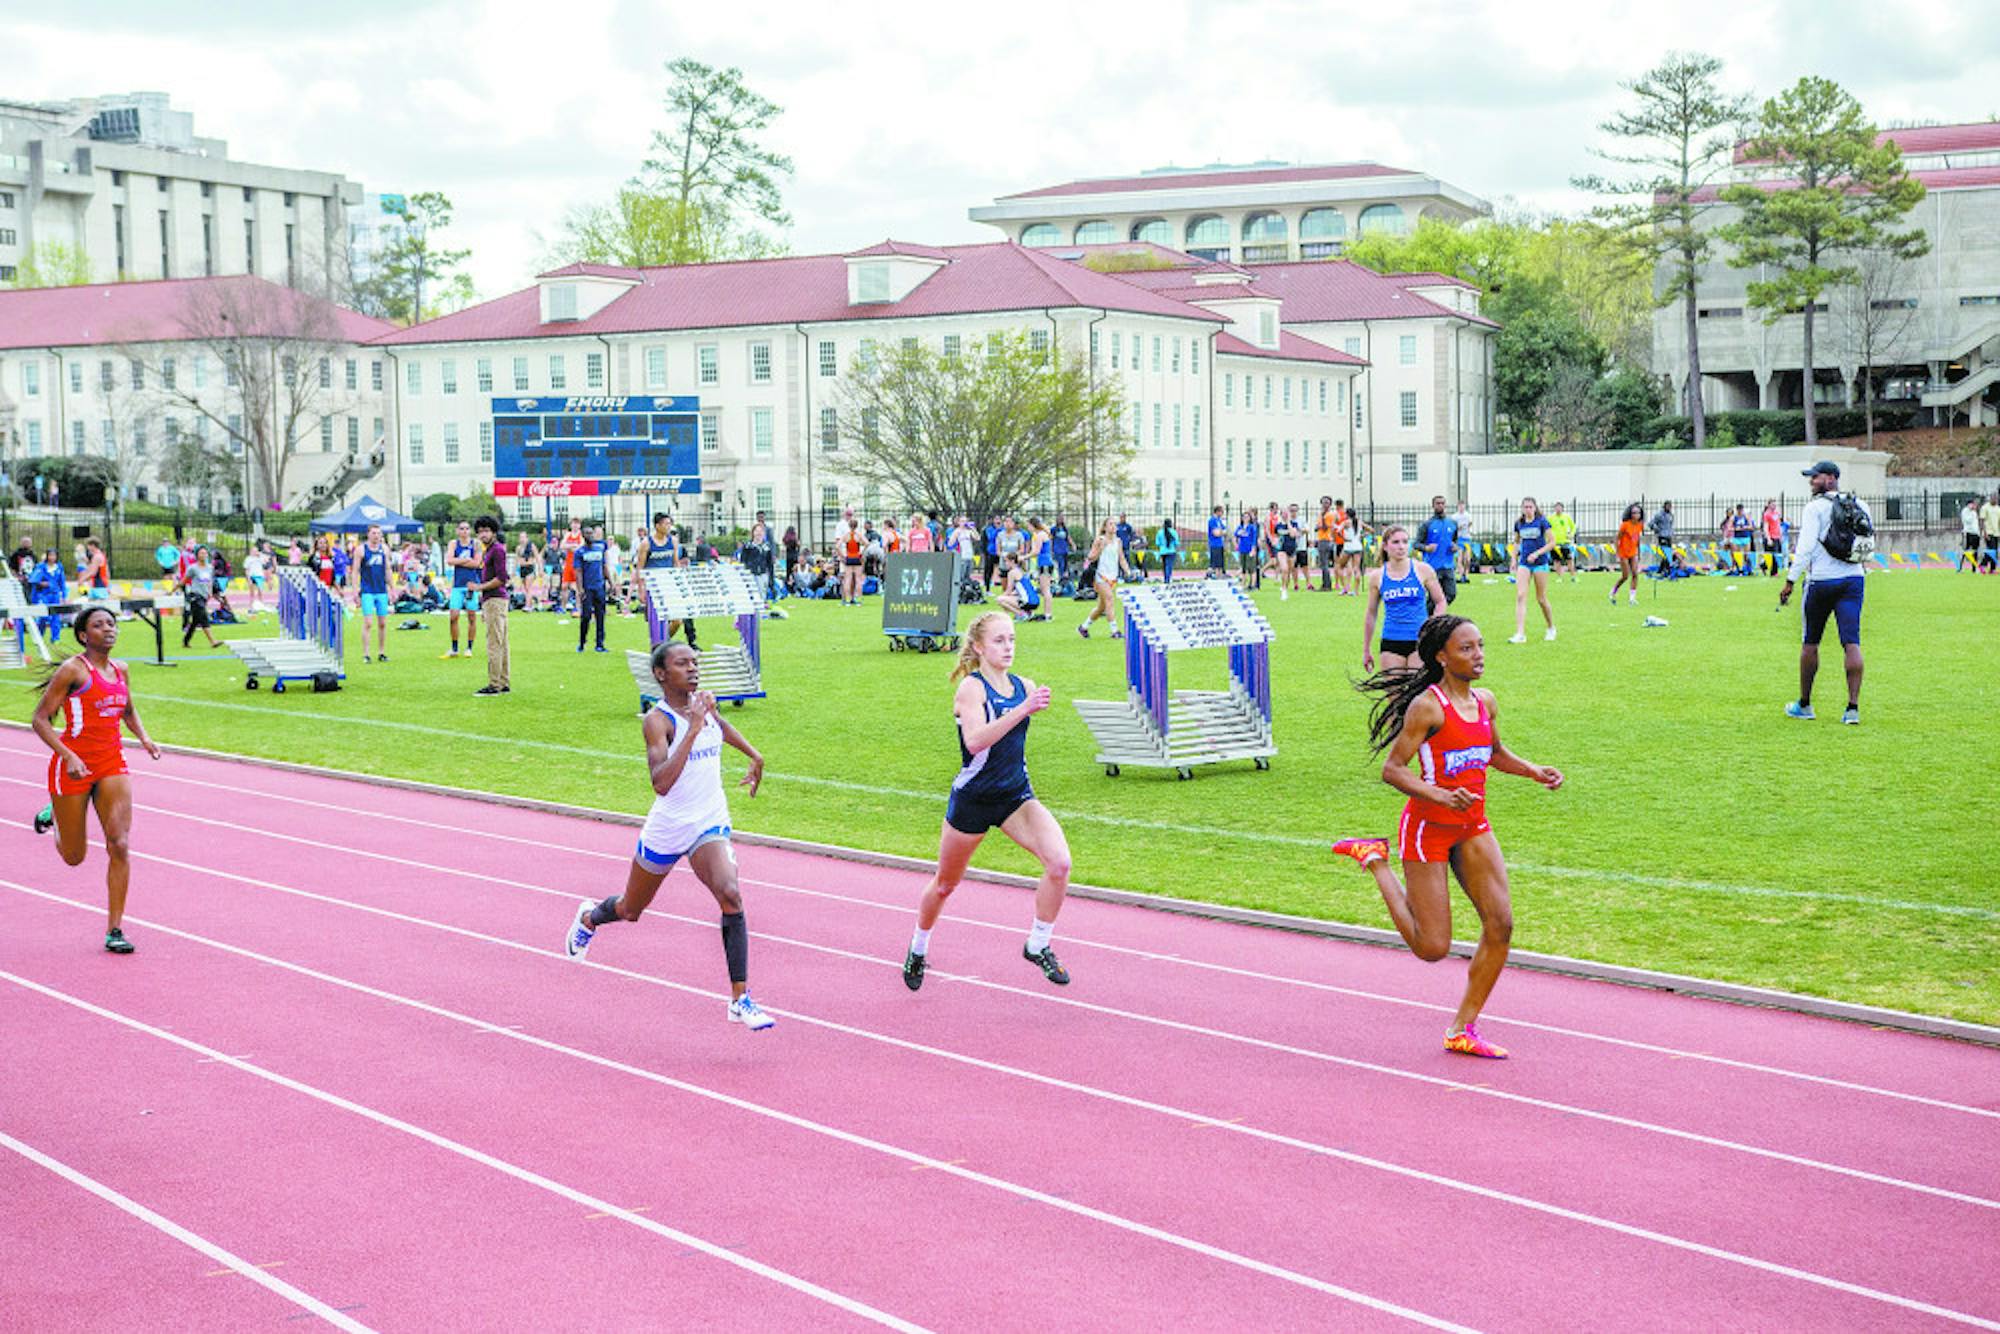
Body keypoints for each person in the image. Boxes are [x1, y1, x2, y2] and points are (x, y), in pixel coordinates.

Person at [1331, 614, 1563, 1058]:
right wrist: (1438, 795)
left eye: (1480, 646)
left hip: (1473, 823)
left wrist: (1533, 770)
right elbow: (1392, 770)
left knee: (1502, 924)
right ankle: (1374, 858)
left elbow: (1493, 753)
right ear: (1441, 656)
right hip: (1427, 828)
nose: (1478, 656)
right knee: (1432, 947)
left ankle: (1463, 1028)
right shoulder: (1428, 707)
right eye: (1466, 648)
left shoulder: (1486, 701)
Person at [564, 641, 774, 1030]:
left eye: (695, 662)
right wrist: (692, 728)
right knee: (631, 910)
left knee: (730, 893)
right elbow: (660, 783)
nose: (693, 669)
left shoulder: (704, 705)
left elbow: (721, 727)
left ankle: (739, 998)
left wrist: (754, 754)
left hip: (708, 820)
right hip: (669, 826)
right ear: (661, 674)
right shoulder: (657, 721)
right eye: (682, 664)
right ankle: (590, 917)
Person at [902, 611, 1072, 992]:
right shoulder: (971, 690)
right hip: (973, 801)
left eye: (1011, 639)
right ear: (978, 647)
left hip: (1015, 797)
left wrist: (1024, 703)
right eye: (999, 640)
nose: (1008, 647)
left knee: (1059, 863)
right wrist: (1023, 709)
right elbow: (975, 742)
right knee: (945, 885)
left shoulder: (1023, 685)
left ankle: (1038, 943)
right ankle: (918, 946)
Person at [30, 604, 164, 954]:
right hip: (72, 765)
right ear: (83, 635)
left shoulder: (121, 670)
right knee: (74, 857)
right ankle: (56, 816)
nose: (109, 629)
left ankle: (115, 929)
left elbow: (128, 710)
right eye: (99, 624)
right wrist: (68, 755)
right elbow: (40, 719)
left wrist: (145, 738)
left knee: (119, 843)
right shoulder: (72, 671)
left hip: (111, 764)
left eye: (112, 623)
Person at [1779, 461, 1873, 725]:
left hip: (1820, 581)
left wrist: (1790, 581)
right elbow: (1868, 543)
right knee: (1851, 642)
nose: (1811, 481)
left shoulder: (1815, 508)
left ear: (1831, 478)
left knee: (1810, 642)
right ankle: (1852, 709)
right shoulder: (1861, 505)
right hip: (1854, 579)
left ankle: (1805, 704)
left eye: (1816, 477)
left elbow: (1805, 548)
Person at [1361, 525, 1446, 673]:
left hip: (1420, 640)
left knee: (1417, 692)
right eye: (1395, 542)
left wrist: (1432, 628)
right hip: (1391, 640)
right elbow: (1371, 613)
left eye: (1405, 542)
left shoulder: (1423, 569)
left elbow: (1440, 601)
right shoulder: (1377, 576)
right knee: (1395, 694)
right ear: (1385, 546)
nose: (1401, 547)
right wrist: (1366, 649)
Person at [471, 516, 511, 696]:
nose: (483, 535)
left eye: (486, 531)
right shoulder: (490, 551)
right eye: (480, 531)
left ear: (494, 532)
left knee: (494, 643)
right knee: (501, 642)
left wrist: (479, 587)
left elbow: (502, 578)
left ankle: (494, 684)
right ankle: (503, 682)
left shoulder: (497, 550)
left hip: (495, 599)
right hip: (493, 600)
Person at [1508, 498, 1556, 644]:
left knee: (1541, 598)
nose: (1528, 509)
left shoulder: (1542, 522)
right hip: (1524, 563)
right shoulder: (1519, 524)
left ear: (1535, 508)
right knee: (1521, 595)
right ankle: (1520, 634)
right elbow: (1516, 542)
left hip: (1540, 563)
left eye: (1530, 507)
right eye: (1525, 507)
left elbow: (1552, 542)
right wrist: (1514, 559)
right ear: (1522, 509)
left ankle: (1550, 628)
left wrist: (1537, 553)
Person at [1076, 518, 1129, 639]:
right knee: (1110, 600)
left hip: (1113, 577)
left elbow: (1121, 558)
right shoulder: (1100, 540)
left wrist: (1128, 571)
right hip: (1101, 576)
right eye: (1110, 524)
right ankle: (1115, 631)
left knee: (1101, 608)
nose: (1113, 526)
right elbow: (1091, 557)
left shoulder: (1118, 541)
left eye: (1114, 524)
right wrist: (1100, 548)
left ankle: (1083, 627)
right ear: (1105, 527)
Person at [351, 524, 393, 663]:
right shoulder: (361, 550)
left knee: (382, 623)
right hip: (367, 590)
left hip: (381, 590)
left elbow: (388, 569)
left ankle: (381, 652)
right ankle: (366, 654)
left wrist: (392, 588)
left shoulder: (385, 549)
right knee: (368, 622)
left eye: (379, 533)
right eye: (374, 533)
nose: (376, 536)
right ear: (368, 534)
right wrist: (355, 590)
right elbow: (355, 571)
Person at [574, 522, 609, 653]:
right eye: (587, 533)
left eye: (591, 533)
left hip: (599, 586)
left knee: (601, 615)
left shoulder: (599, 549)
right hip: (587, 588)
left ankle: (600, 644)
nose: (590, 536)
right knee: (586, 616)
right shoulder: (580, 552)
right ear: (583, 536)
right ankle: (582, 642)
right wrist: (580, 589)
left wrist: (610, 581)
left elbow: (604, 566)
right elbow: (578, 572)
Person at [180, 546, 223, 650]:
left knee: (195, 621)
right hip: (195, 595)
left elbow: (209, 581)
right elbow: (184, 581)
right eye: (201, 553)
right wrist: (173, 590)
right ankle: (213, 641)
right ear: (196, 555)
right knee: (204, 618)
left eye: (205, 553)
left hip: (204, 596)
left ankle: (185, 641)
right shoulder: (192, 568)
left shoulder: (210, 568)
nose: (203, 555)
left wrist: (210, 592)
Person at [1420, 496, 1460, 605]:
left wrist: (1455, 547)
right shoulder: (1427, 525)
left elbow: (1455, 541)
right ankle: (1429, 618)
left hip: (1448, 566)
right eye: (1438, 503)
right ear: (1433, 505)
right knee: (1433, 597)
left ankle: (1434, 615)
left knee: (1451, 594)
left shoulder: (1452, 524)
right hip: (1432, 566)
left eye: (1442, 503)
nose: (1440, 505)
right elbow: (1416, 544)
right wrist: (1426, 548)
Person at [29, 548, 67, 642]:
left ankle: (55, 638)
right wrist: (42, 583)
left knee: (55, 616)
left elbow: (62, 582)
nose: (52, 557)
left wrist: (64, 595)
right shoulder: (41, 567)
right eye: (50, 555)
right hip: (43, 595)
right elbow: (33, 580)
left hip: (55, 595)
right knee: (43, 616)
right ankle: (39, 636)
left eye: (54, 555)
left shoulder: (59, 567)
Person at [1611, 504, 1645, 604]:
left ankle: (1632, 598)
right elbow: (1617, 538)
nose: (1636, 515)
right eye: (1634, 513)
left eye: (1638, 513)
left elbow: (1637, 539)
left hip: (1633, 553)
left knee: (1635, 574)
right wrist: (1617, 554)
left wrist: (1638, 552)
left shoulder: (1640, 525)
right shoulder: (1625, 525)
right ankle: (1613, 591)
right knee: (1625, 576)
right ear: (1630, 514)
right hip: (1623, 553)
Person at [1028, 516, 1054, 610]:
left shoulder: (1040, 535)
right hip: (1043, 563)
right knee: (1044, 590)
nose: (1028, 528)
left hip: (1045, 563)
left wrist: (1023, 557)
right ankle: (1047, 613)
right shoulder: (1038, 535)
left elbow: (1036, 551)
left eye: (1029, 525)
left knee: (1045, 590)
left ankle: (1048, 614)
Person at [1547, 502, 1578, 581]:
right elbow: (1547, 529)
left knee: (1569, 559)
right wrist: (1549, 539)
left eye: (1559, 507)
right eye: (1556, 507)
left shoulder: (1566, 517)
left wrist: (1571, 535)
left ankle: (1573, 576)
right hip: (1555, 543)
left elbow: (1573, 527)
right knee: (1556, 560)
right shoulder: (1550, 518)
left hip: (1565, 542)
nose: (1558, 509)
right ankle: (1559, 577)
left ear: (1562, 508)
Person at [1649, 500, 1676, 578]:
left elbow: (1670, 525)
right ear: (1664, 506)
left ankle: (1661, 570)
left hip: (1669, 536)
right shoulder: (1659, 515)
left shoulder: (1671, 515)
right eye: (1668, 506)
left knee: (1668, 554)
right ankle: (1666, 570)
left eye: (1670, 506)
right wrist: (1657, 529)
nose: (1669, 508)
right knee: (1666, 553)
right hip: (1662, 536)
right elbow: (1651, 523)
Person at [1234, 509, 1260, 587]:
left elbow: (1254, 538)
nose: (1245, 518)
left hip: (1250, 549)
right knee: (1243, 568)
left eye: (1247, 517)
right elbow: (1235, 535)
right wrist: (1236, 544)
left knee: (1252, 568)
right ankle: (1243, 584)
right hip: (1242, 549)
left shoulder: (1252, 527)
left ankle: (1252, 584)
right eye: (1244, 517)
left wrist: (1253, 549)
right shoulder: (1240, 527)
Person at [1959, 497, 1983, 573]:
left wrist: (1979, 533)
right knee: (1966, 551)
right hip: (1968, 533)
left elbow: (1976, 523)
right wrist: (1972, 512)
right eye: (1971, 504)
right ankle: (1961, 568)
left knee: (1975, 551)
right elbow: (1967, 521)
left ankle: (1974, 568)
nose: (1973, 506)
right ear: (1968, 504)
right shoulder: (1965, 511)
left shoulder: (1974, 512)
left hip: (1975, 533)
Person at [1761, 499, 1784, 575]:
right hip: (1771, 537)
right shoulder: (1766, 514)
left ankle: (1763, 566)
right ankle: (1774, 572)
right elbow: (1766, 527)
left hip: (1777, 536)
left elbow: (1778, 525)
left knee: (1777, 555)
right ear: (1769, 505)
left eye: (1775, 504)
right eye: (1772, 504)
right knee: (1772, 555)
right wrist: (1768, 538)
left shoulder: (1777, 513)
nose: (1774, 506)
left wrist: (1781, 536)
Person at [1154, 518, 1181, 583]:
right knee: (1169, 566)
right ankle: (1167, 579)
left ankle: (1166, 578)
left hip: (1162, 551)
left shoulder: (1159, 532)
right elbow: (1177, 543)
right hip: (1171, 551)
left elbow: (1157, 543)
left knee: (1164, 566)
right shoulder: (1174, 532)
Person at [1206, 505, 1228, 580]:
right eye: (1222, 512)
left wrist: (1221, 532)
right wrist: (1221, 532)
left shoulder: (1219, 520)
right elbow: (1216, 533)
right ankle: (1209, 575)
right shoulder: (1212, 520)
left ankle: (1219, 576)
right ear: (1218, 511)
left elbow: (1225, 531)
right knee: (1214, 563)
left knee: (1220, 563)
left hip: (1220, 544)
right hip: (1214, 544)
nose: (1222, 514)